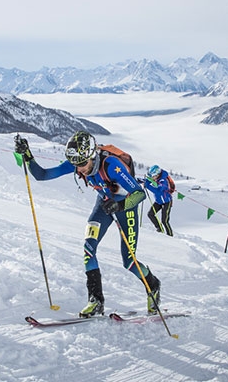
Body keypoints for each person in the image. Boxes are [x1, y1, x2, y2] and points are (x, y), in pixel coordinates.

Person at [15, 131, 160, 317]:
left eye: (83, 164)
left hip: (126, 207)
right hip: (105, 202)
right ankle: (96, 300)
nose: (80, 169)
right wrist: (27, 155)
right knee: (88, 247)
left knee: (129, 261)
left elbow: (139, 194)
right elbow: (42, 175)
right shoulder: (78, 161)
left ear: (92, 155)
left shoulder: (112, 165)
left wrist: (120, 205)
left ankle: (153, 286)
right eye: (76, 164)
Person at [144, 164, 174, 236]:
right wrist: (145, 181)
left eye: (153, 176)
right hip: (159, 202)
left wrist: (147, 185)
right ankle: (159, 228)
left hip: (166, 202)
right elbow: (148, 180)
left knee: (164, 221)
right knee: (150, 214)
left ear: (157, 175)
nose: (152, 178)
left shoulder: (164, 181)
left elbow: (158, 191)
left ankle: (170, 235)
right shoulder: (156, 178)